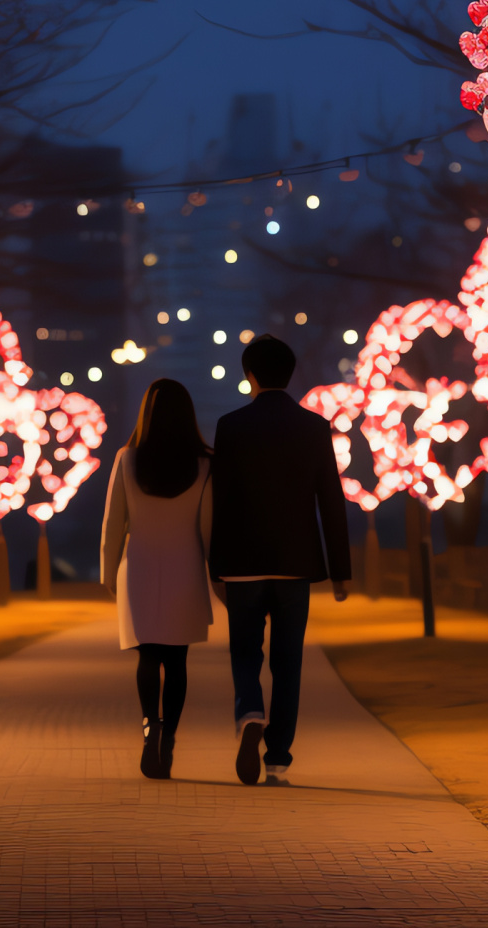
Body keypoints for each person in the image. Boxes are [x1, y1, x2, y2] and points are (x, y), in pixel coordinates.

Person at [208, 334, 351, 786]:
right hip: (296, 564)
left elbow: (221, 501)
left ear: (249, 374)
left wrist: (216, 567)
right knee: (289, 663)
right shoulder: (313, 427)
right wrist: (341, 570)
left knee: (245, 653)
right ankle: (279, 759)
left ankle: (250, 711)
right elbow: (331, 500)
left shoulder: (231, 426)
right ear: (289, 374)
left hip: (244, 564)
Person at [100, 377, 213, 780]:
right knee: (177, 660)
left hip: (140, 566)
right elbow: (208, 528)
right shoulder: (204, 464)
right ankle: (170, 737)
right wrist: (216, 577)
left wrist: (108, 572)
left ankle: (151, 725)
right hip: (185, 566)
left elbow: (114, 521)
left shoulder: (127, 459)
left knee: (147, 654)